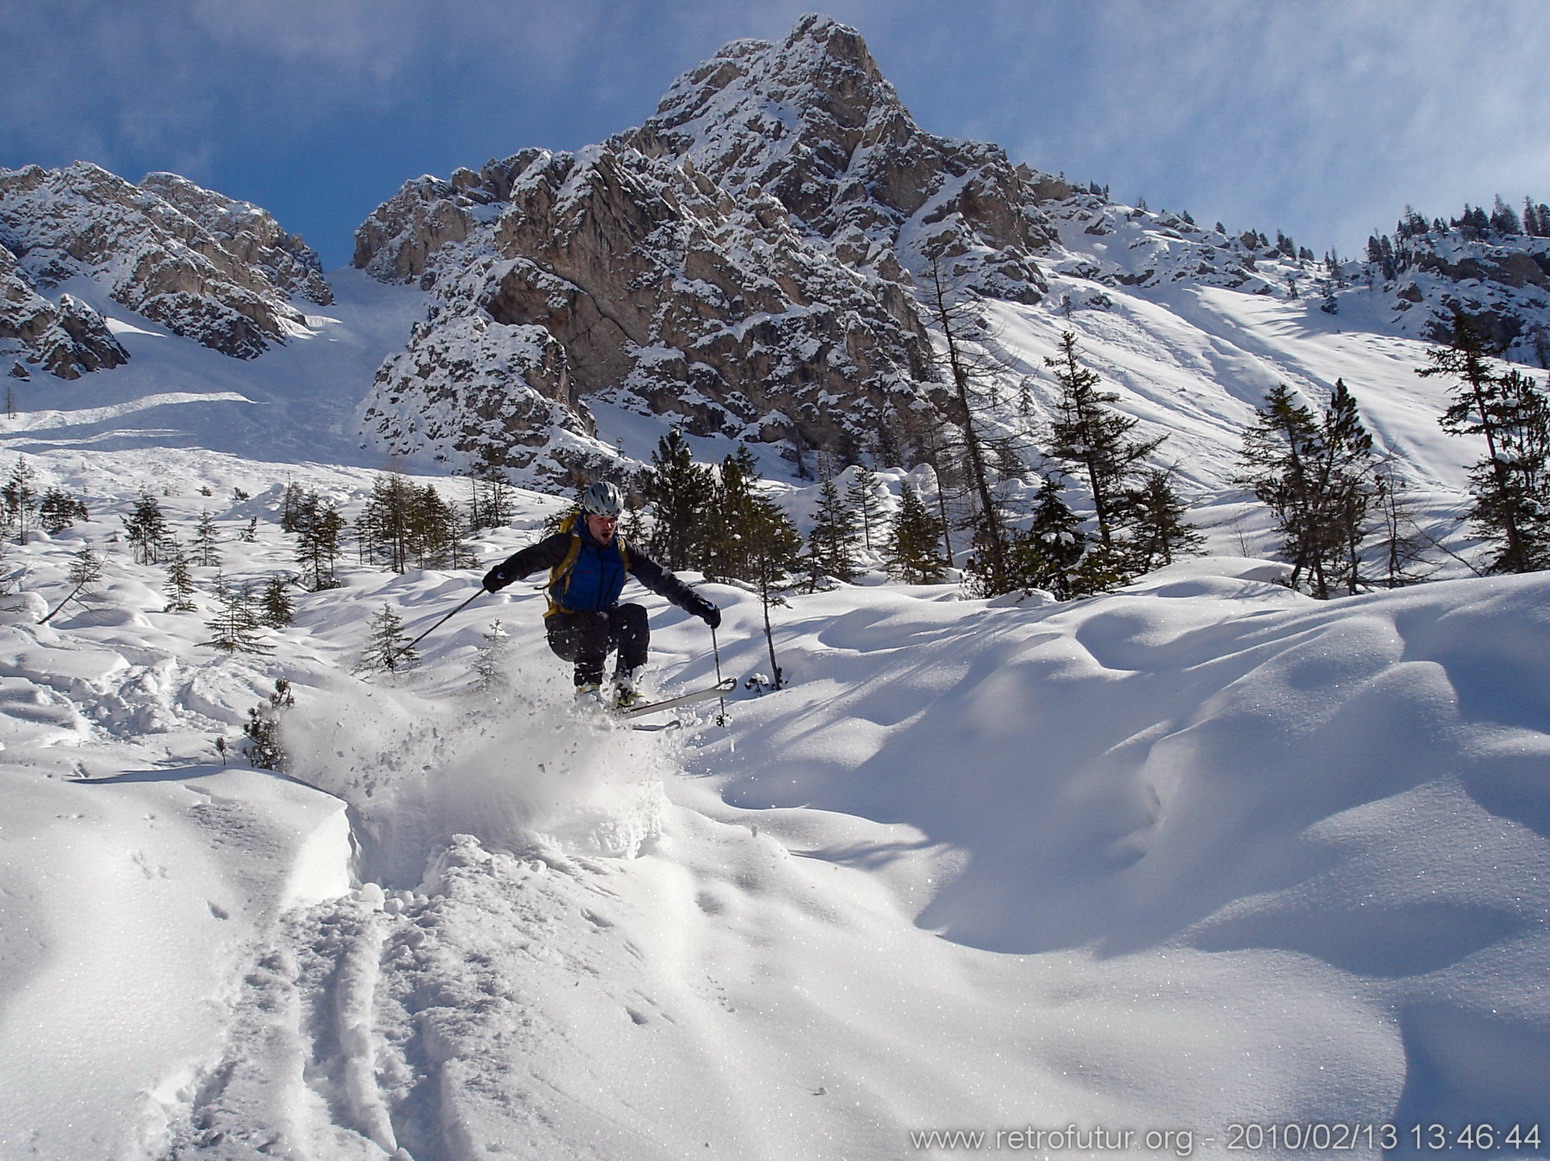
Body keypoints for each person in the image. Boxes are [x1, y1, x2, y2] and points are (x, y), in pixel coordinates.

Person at [481, 480, 721, 706]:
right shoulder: (567, 544)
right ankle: (587, 691)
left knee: (634, 613)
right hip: (565, 634)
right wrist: (503, 574)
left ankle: (626, 688)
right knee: (595, 619)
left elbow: (662, 580)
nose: (608, 525)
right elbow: (530, 559)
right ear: (587, 519)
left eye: (613, 519)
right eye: (601, 519)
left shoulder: (622, 549)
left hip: (601, 634)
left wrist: (698, 605)